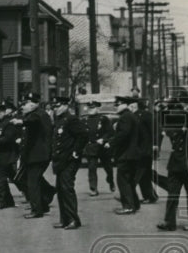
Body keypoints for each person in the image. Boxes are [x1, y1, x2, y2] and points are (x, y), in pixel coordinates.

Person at [156, 96, 188, 231]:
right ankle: (169, 222)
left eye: (187, 106)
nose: (184, 108)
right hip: (176, 161)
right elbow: (168, 131)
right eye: (182, 106)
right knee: (172, 193)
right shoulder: (175, 117)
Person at [13, 92, 55, 219]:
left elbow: (32, 121)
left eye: (26, 103)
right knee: (23, 179)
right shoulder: (33, 114)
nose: (23, 106)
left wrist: (21, 122)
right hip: (31, 155)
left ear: (35, 104)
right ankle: (47, 195)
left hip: (38, 155)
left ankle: (37, 210)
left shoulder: (39, 115)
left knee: (32, 182)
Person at [50, 96, 88, 229]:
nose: (56, 109)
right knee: (61, 190)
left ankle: (73, 219)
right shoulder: (59, 120)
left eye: (58, 106)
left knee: (67, 189)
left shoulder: (71, 119)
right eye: (54, 107)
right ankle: (64, 219)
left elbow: (83, 135)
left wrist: (76, 152)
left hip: (69, 160)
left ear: (65, 106)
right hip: (60, 160)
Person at [111, 95, 143, 214]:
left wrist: (111, 142)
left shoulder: (125, 117)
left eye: (118, 105)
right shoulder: (131, 116)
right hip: (132, 153)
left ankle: (128, 206)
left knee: (122, 180)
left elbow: (123, 134)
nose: (116, 107)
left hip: (126, 154)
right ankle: (134, 204)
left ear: (124, 105)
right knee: (128, 180)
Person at [82, 101, 115, 196]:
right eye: (89, 108)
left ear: (97, 109)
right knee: (92, 168)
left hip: (102, 148)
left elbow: (110, 132)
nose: (90, 110)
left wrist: (104, 139)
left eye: (92, 108)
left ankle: (111, 180)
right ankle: (93, 188)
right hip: (91, 147)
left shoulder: (103, 119)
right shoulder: (85, 120)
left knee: (108, 167)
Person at [133, 98, 159, 204]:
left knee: (139, 173)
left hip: (146, 149)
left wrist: (155, 144)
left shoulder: (146, 115)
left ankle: (128, 194)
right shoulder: (141, 115)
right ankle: (150, 196)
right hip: (142, 149)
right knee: (145, 174)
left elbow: (154, 130)